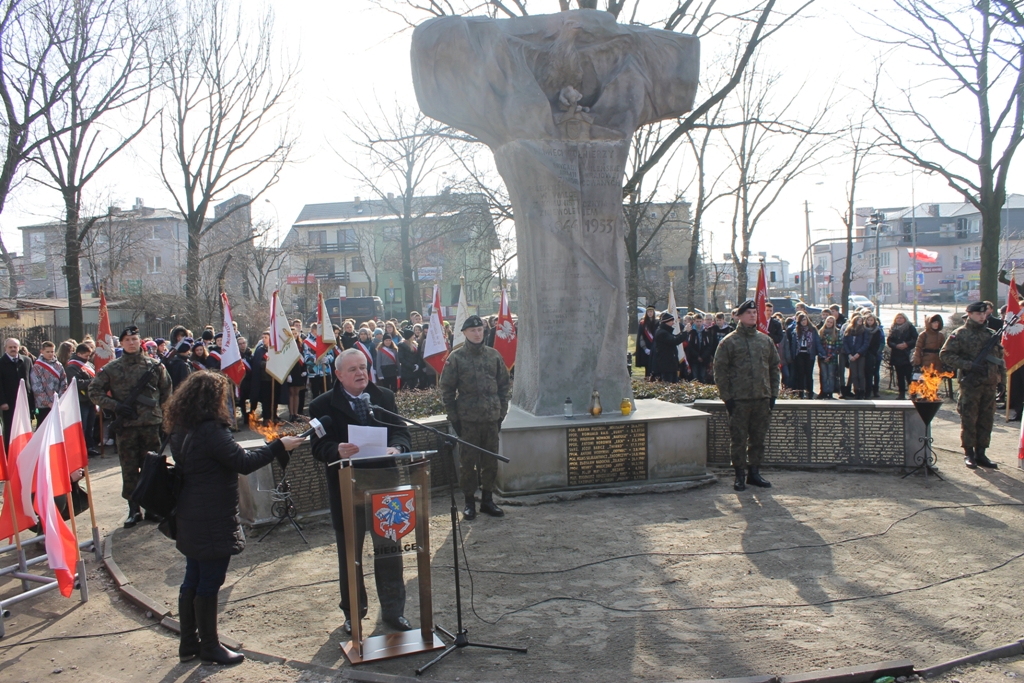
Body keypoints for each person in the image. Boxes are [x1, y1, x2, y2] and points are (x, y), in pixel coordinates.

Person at [166, 370, 302, 666]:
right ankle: (210, 646)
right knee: (209, 581)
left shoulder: (180, 426)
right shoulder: (211, 431)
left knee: (192, 577)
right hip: (212, 515)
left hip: (190, 511)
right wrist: (279, 445)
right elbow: (243, 462)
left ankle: (189, 643)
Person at [309, 349, 413, 635]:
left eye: (363, 367)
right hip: (347, 488)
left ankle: (393, 611)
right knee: (350, 556)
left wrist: (398, 448)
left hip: (384, 488)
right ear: (339, 375)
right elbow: (318, 447)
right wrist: (336, 449)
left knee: (389, 551)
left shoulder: (383, 397)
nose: (360, 373)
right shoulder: (321, 405)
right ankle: (353, 613)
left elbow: (401, 431)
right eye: (353, 369)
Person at [88, 326, 173, 528]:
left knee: (153, 469)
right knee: (129, 469)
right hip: (126, 427)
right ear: (121, 343)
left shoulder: (154, 366)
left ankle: (152, 507)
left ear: (139, 341)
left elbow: (166, 392)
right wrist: (115, 406)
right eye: (127, 340)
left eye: (134, 339)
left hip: (150, 425)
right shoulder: (112, 368)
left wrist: (163, 417)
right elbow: (94, 391)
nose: (131, 343)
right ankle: (134, 509)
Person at [439, 314, 511, 520]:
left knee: (490, 462)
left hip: (491, 419)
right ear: (464, 333)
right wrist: (454, 419)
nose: (477, 334)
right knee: (467, 464)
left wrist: (501, 413)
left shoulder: (494, 355)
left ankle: (487, 500)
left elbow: (504, 386)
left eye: (480, 330)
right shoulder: (456, 358)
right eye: (473, 330)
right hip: (468, 421)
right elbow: (446, 390)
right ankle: (469, 502)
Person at [713, 300, 781, 491]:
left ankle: (754, 473)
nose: (752, 315)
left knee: (758, 439)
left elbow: (774, 368)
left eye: (754, 312)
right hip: (739, 400)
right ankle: (739, 475)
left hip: (762, 398)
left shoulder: (765, 341)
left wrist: (773, 394)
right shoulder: (729, 342)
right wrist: (727, 398)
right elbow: (720, 371)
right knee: (739, 439)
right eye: (748, 313)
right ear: (739, 316)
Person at [940, 301, 1005, 469]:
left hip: (989, 384)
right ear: (969, 314)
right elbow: (945, 355)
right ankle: (969, 453)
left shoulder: (991, 334)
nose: (982, 317)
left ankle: (981, 453)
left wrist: (1002, 381)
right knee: (969, 418)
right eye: (978, 314)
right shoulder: (960, 334)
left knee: (986, 419)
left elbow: (1000, 359)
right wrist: (968, 365)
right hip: (971, 385)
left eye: (984, 314)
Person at [0, 337, 34, 448]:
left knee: (25, 428)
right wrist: (2, 402)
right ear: (5, 348)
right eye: (10, 347)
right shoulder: (1, 363)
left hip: (25, 401)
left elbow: (31, 381)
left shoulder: (27, 361)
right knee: (10, 429)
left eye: (15, 347)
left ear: (18, 347)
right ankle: (9, 452)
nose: (13, 349)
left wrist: (32, 402)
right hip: (9, 402)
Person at [65, 343, 98, 453]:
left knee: (90, 425)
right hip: (81, 400)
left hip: (90, 399)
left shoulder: (88, 365)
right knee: (82, 426)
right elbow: (77, 383)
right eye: (85, 355)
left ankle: (90, 446)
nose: (87, 358)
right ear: (78, 354)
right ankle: (81, 449)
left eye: (89, 355)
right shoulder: (72, 367)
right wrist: (92, 381)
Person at [30, 341, 68, 424]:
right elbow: (37, 387)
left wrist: (60, 398)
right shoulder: (37, 366)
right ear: (42, 351)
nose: (50, 354)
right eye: (48, 352)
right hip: (43, 405)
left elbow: (64, 382)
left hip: (58, 402)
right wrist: (48, 403)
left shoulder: (58, 365)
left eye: (52, 351)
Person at [788, 313, 823, 399]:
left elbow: (817, 342)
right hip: (799, 354)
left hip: (809, 354)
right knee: (800, 374)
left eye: (805, 320)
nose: (803, 322)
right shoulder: (796, 330)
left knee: (809, 374)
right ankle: (801, 393)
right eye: (801, 320)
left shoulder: (813, 330)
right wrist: (793, 355)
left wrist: (822, 353)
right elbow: (793, 344)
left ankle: (810, 392)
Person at [887, 313, 919, 399]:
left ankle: (913, 394)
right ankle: (901, 394)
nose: (899, 319)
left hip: (907, 355)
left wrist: (906, 344)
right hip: (897, 354)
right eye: (897, 318)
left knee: (909, 376)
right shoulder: (893, 328)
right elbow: (889, 341)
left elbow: (916, 339)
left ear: (905, 319)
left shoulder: (910, 327)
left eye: (901, 318)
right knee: (899, 376)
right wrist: (896, 345)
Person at [652, 312, 687, 383]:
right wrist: (685, 333)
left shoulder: (666, 332)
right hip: (666, 364)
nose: (673, 323)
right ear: (666, 322)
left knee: (674, 382)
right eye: (671, 321)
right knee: (668, 382)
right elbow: (674, 341)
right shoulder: (662, 333)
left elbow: (675, 337)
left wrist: (683, 332)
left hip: (671, 364)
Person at [842, 315, 870, 399]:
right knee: (854, 374)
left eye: (861, 321)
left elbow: (866, 343)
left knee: (861, 374)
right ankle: (856, 390)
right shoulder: (849, 330)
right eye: (858, 320)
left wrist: (858, 353)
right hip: (851, 355)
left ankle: (862, 391)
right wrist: (849, 354)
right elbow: (845, 342)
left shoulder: (864, 330)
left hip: (860, 355)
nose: (860, 322)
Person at [817, 316, 842, 399]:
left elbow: (838, 346)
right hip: (823, 357)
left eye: (831, 322)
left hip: (832, 357)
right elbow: (818, 345)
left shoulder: (837, 332)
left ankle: (830, 392)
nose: (829, 323)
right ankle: (824, 391)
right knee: (824, 375)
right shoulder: (821, 331)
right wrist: (823, 356)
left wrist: (831, 356)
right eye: (828, 322)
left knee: (831, 375)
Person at [863, 313, 885, 398]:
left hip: (875, 354)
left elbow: (881, 343)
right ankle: (866, 391)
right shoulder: (863, 329)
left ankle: (875, 390)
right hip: (865, 353)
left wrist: (876, 353)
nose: (869, 322)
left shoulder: (878, 330)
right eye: (868, 320)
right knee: (866, 373)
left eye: (871, 320)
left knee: (875, 373)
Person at [635, 305, 657, 380]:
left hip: (655, 347)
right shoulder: (642, 323)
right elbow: (641, 337)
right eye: (648, 312)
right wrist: (645, 348)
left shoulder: (657, 323)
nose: (650, 313)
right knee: (647, 366)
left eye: (651, 311)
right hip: (647, 347)